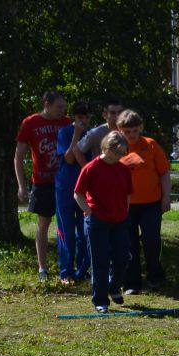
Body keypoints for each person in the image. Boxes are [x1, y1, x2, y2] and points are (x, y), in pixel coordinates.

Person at [14, 91, 71, 281]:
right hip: (42, 182)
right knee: (43, 223)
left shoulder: (67, 122)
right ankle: (42, 268)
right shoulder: (30, 123)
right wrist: (22, 186)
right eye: (59, 107)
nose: (62, 111)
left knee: (68, 224)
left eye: (64, 107)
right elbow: (18, 157)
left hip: (64, 181)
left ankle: (69, 266)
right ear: (47, 104)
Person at [74, 131, 133, 313]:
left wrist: (125, 211)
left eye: (122, 153)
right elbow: (78, 194)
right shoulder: (91, 168)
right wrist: (90, 213)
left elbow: (127, 194)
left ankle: (114, 287)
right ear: (106, 147)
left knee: (122, 257)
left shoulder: (123, 169)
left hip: (120, 220)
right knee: (100, 261)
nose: (119, 156)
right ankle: (100, 300)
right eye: (117, 152)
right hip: (97, 221)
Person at [117, 109, 171, 293]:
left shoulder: (150, 145)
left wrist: (166, 197)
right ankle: (132, 283)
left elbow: (164, 172)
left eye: (135, 131)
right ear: (120, 130)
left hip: (151, 203)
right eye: (127, 132)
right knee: (128, 243)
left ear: (140, 128)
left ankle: (155, 276)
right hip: (126, 205)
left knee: (151, 240)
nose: (132, 135)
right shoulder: (116, 147)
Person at [54, 100, 92, 284]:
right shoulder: (65, 132)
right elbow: (69, 159)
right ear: (73, 117)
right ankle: (65, 271)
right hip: (65, 187)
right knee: (66, 231)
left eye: (86, 117)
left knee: (84, 231)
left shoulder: (93, 135)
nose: (83, 121)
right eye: (79, 117)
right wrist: (76, 134)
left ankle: (82, 271)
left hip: (85, 189)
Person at [74, 98, 123, 165]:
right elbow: (77, 150)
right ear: (104, 115)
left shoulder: (128, 131)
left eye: (120, 112)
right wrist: (88, 169)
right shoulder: (96, 133)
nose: (117, 116)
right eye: (112, 113)